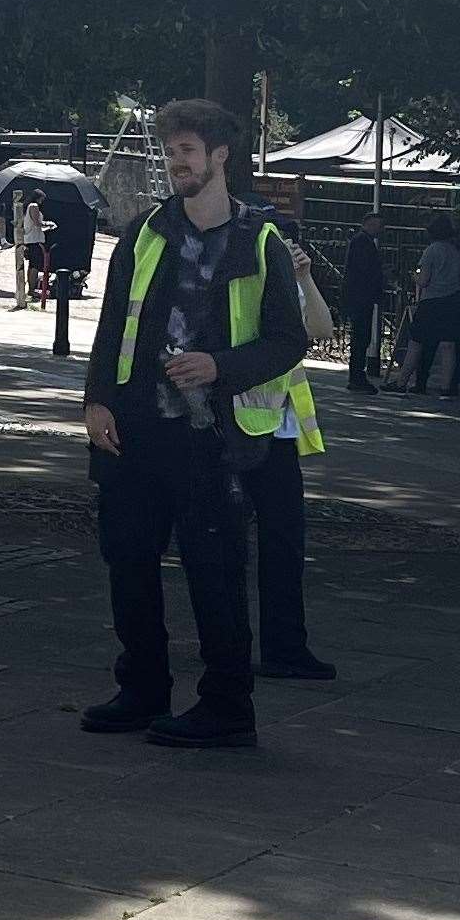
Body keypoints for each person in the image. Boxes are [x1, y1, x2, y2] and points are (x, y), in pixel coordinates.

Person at [81, 98, 308, 749]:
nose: (175, 163)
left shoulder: (258, 239)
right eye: (170, 151)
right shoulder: (146, 232)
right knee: (128, 559)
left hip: (213, 440)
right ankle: (142, 688)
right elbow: (112, 321)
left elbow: (287, 341)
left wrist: (220, 365)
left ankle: (228, 708)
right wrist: (96, 400)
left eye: (186, 151)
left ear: (219, 158)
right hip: (133, 429)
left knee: (215, 571)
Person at [240, 238, 337, 683]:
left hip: (276, 431)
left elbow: (321, 328)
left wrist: (304, 276)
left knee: (283, 543)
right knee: (225, 544)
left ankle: (284, 646)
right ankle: (227, 642)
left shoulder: (286, 279)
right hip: (232, 426)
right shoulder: (238, 278)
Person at [405, 214, 460, 398]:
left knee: (417, 342)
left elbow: (424, 280)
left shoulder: (431, 251)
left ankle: (402, 381)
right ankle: (446, 387)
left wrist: (415, 276)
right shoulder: (456, 252)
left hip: (431, 301)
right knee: (448, 345)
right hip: (452, 301)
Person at [343, 213, 385, 394]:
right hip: (360, 297)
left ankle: (358, 375)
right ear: (367, 224)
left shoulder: (362, 241)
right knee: (360, 337)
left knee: (361, 337)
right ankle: (357, 376)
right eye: (377, 225)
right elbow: (364, 271)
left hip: (359, 297)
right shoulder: (362, 242)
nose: (379, 230)